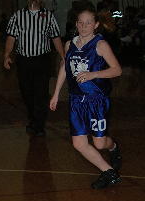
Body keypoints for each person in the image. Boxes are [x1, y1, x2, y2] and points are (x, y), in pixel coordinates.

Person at [49, 5, 123, 190]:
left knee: (99, 143)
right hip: (76, 100)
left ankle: (113, 147)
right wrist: (56, 93)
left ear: (96, 25)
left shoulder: (100, 45)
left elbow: (117, 70)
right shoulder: (69, 44)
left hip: (96, 100)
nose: (84, 26)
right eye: (81, 23)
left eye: (88, 23)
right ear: (76, 24)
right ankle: (109, 172)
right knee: (79, 143)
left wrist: (93, 74)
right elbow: (64, 68)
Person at [4, 0, 64, 137]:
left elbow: (55, 38)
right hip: (23, 60)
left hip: (42, 60)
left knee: (41, 92)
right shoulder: (17, 16)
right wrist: (6, 55)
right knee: (27, 92)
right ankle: (33, 119)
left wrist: (63, 56)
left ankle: (39, 125)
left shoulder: (48, 16)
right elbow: (11, 38)